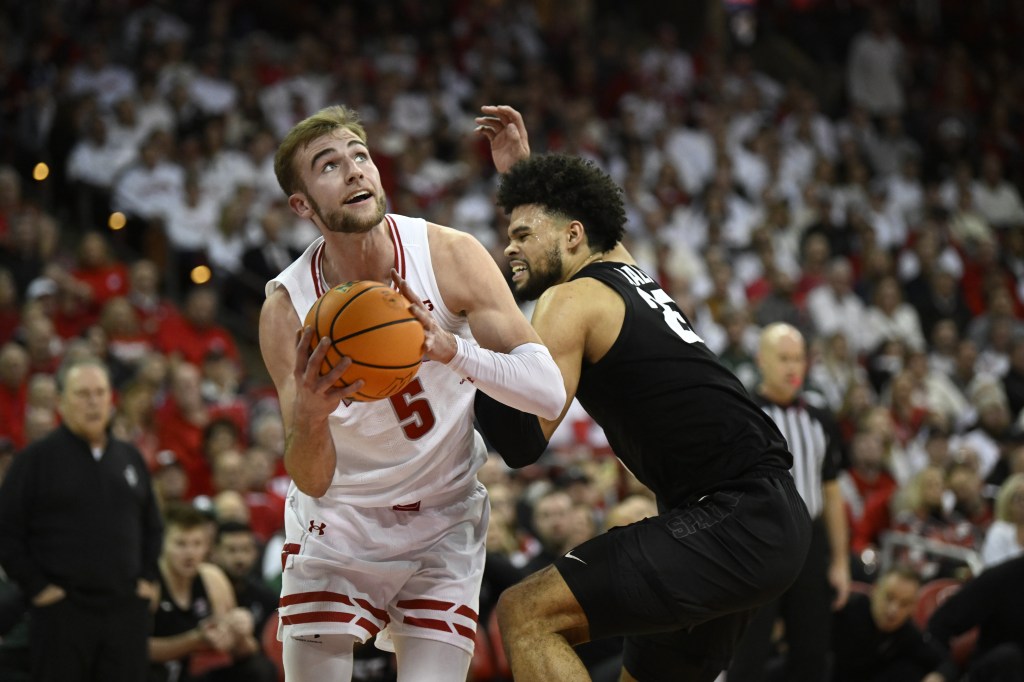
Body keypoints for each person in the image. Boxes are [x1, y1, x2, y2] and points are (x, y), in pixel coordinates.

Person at [473, 106, 811, 682]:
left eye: (522, 234)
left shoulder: (571, 299)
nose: (510, 249)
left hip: (731, 516)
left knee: (526, 614)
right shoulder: (625, 270)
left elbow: (521, 440)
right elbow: (582, 224)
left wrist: (470, 339)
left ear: (572, 234)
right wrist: (525, 178)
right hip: (763, 516)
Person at [258, 104, 565, 682]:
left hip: (442, 517)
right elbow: (310, 477)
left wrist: (451, 349)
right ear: (301, 205)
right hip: (340, 520)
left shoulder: (448, 256)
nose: (354, 171)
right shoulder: (287, 310)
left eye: (360, 156)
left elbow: (548, 393)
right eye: (329, 166)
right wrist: (316, 417)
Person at [0, 356, 164, 682]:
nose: (93, 402)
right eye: (82, 394)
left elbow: (152, 527)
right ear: (60, 401)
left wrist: (148, 578)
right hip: (63, 613)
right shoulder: (35, 460)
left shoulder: (129, 457)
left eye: (100, 393)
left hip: (124, 610)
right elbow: (6, 532)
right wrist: (38, 588)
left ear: (111, 399)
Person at [728, 323, 851, 682]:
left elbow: (831, 490)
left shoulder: (820, 418)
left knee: (812, 653)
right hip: (756, 544)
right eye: (783, 359)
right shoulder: (741, 413)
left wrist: (841, 561)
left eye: (798, 359)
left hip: (810, 545)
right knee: (747, 655)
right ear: (760, 360)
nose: (793, 368)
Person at [149, 503, 277, 682]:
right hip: (155, 672)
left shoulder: (211, 578)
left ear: (207, 547)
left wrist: (241, 633)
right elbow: (137, 649)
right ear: (163, 544)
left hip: (193, 674)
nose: (190, 553)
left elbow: (241, 651)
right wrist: (194, 640)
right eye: (181, 544)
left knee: (259, 668)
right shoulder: (151, 582)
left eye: (197, 544)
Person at [830, 566, 941, 682]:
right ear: (875, 589)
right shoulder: (847, 609)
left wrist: (938, 675)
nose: (893, 610)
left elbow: (943, 662)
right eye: (889, 597)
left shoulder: (907, 632)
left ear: (913, 608)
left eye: (904, 603)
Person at [924, 555, 1024, 682]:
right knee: (1009, 657)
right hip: (998, 671)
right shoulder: (1005, 577)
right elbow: (941, 623)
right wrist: (943, 671)